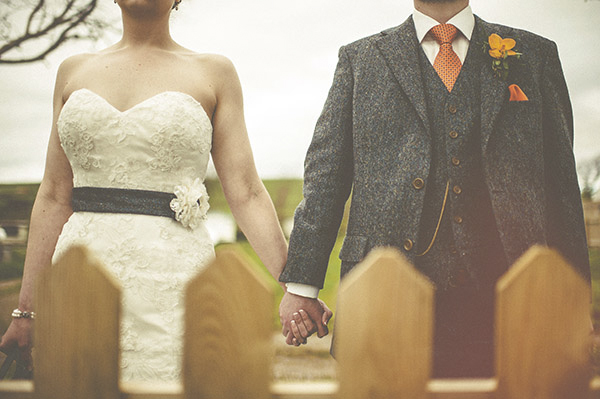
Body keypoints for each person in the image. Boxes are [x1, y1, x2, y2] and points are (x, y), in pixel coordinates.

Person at [278, 0, 590, 378]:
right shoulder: (360, 60)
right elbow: (326, 176)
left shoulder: (534, 55)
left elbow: (562, 189)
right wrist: (302, 286)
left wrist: (577, 301)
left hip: (509, 297)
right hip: (385, 295)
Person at [0, 0, 292, 382]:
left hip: (174, 276)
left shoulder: (214, 72)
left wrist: (296, 284)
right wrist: (26, 311)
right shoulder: (72, 71)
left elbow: (247, 191)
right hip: (77, 271)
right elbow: (55, 193)